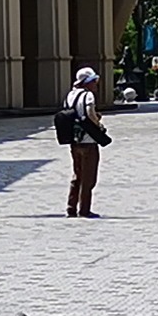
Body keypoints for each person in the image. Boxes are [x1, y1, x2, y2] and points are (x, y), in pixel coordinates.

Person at [60, 66, 112, 219]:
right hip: (89, 141)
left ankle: (71, 207)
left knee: (77, 174)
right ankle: (84, 209)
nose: (96, 84)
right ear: (87, 83)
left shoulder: (70, 95)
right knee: (89, 177)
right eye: (94, 81)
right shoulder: (88, 96)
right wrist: (97, 123)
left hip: (74, 141)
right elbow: (89, 112)